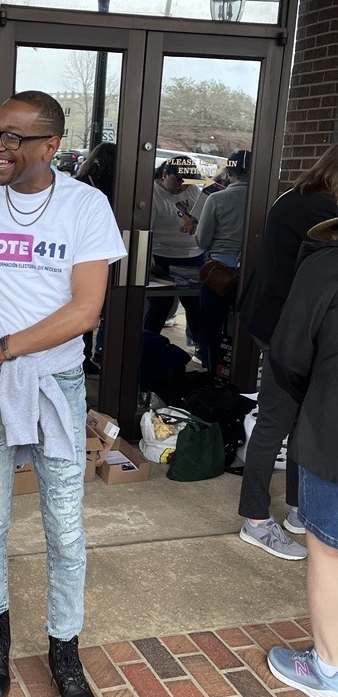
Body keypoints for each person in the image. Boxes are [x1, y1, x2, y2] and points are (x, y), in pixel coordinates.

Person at [0, 90, 125, 697]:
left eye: (16, 137)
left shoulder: (84, 206)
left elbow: (84, 310)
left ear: (51, 146)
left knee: (64, 524)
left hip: (52, 384)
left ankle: (63, 648)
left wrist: (2, 350)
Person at [237, 146, 338, 560]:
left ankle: (298, 509)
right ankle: (255, 519)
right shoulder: (324, 212)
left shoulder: (295, 195)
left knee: (297, 418)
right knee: (276, 420)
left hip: (274, 320)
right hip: (288, 330)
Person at [266, 216, 338, 697]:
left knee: (328, 552)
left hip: (332, 431)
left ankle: (329, 669)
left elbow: (289, 354)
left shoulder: (326, 265)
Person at [195, 149, 251, 373]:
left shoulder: (217, 198)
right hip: (251, 273)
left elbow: (202, 239)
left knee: (210, 328)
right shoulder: (266, 199)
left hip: (218, 273)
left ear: (230, 172)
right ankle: (239, 374)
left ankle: (213, 373)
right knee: (241, 329)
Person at [144, 156, 204, 344]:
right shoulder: (152, 193)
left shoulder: (192, 189)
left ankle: (201, 349)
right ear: (164, 175)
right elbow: (146, 229)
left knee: (195, 306)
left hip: (193, 256)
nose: (182, 187)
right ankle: (145, 347)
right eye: (178, 181)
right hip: (163, 257)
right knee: (161, 306)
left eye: (187, 183)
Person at [75, 142, 117, 371]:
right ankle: (103, 353)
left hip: (83, 252)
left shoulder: (81, 185)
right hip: (110, 251)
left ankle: (83, 354)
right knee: (104, 306)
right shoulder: (120, 187)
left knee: (83, 305)